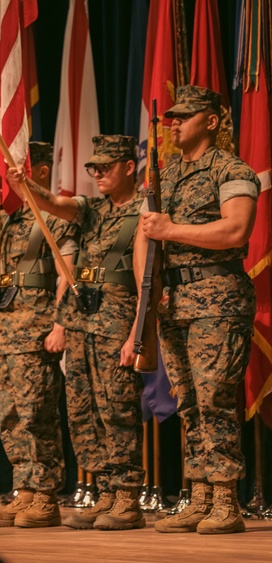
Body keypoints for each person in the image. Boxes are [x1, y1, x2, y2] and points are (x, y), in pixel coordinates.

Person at [6, 135, 147, 530]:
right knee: (83, 413)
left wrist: (136, 330)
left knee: (117, 409)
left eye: (105, 166)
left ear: (129, 167)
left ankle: (126, 497)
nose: (97, 173)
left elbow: (145, 278)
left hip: (116, 322)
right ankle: (105, 492)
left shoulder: (145, 209)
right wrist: (27, 186)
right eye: (93, 167)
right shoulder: (92, 209)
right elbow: (56, 205)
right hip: (82, 324)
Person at [137, 85, 259, 535]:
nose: (173, 122)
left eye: (184, 115)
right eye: (171, 116)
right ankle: (200, 494)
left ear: (211, 120)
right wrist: (147, 299)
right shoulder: (164, 176)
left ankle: (227, 500)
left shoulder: (231, 169)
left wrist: (172, 228)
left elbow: (236, 231)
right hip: (173, 303)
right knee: (188, 403)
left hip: (218, 300)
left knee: (215, 401)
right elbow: (144, 238)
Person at [0, 143, 78, 528]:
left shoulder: (56, 219)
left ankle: (46, 495)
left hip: (36, 330)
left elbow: (68, 274)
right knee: (11, 417)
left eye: (23, 170)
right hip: (4, 332)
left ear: (43, 171)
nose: (14, 177)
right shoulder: (10, 221)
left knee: (37, 415)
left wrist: (60, 324)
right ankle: (25, 491)